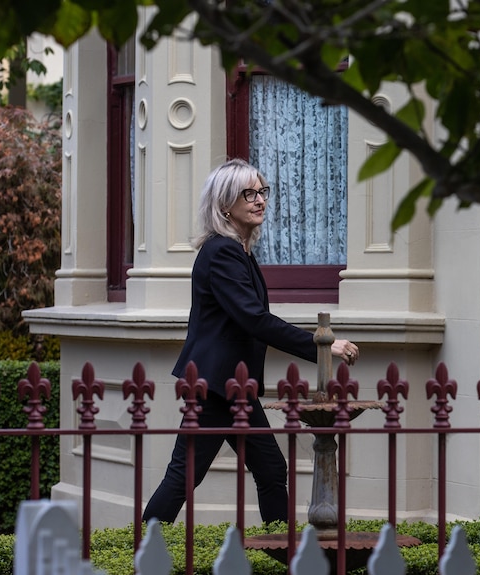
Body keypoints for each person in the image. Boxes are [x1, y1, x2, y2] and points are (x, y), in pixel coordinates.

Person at [142, 158, 359, 524]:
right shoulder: (222, 253)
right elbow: (254, 319)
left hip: (231, 387)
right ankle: (143, 552)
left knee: (271, 471)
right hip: (215, 387)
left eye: (263, 192)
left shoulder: (240, 252)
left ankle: (282, 553)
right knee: (185, 477)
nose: (260, 200)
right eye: (249, 193)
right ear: (225, 205)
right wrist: (322, 346)